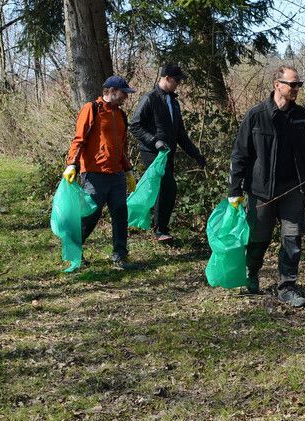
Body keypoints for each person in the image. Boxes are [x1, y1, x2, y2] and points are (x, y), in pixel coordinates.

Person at [228, 65, 305, 307]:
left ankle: (287, 287)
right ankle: (251, 276)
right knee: (259, 237)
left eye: (298, 84)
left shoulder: (301, 116)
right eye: (292, 84)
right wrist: (234, 190)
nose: (296, 89)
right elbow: (240, 154)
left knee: (293, 237)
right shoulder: (256, 115)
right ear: (277, 85)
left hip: (292, 190)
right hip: (261, 191)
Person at [64, 75, 138, 269]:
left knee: (120, 215)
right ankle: (73, 253)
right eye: (123, 93)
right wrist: (72, 164)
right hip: (94, 174)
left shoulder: (121, 115)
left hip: (116, 174)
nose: (126, 98)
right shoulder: (92, 109)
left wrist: (128, 170)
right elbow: (79, 139)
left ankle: (120, 255)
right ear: (112, 91)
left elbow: (122, 146)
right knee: (90, 215)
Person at [129, 63, 206, 243]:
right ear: (167, 78)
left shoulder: (174, 102)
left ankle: (159, 227)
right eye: (177, 80)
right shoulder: (149, 98)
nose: (179, 83)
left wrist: (196, 155)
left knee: (165, 189)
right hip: (152, 152)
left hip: (168, 152)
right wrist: (155, 141)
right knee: (167, 187)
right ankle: (160, 230)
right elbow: (135, 126)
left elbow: (180, 135)